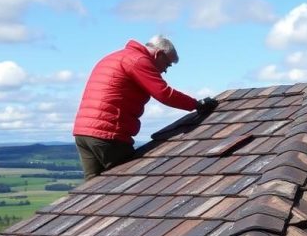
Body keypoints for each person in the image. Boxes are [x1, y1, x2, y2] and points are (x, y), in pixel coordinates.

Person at [73, 35, 217, 179]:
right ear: (158, 54)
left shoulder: (114, 57)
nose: (164, 71)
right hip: (108, 133)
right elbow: (164, 93)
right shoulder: (139, 60)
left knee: (91, 188)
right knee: (123, 184)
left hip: (83, 132)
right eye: (167, 65)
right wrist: (196, 104)